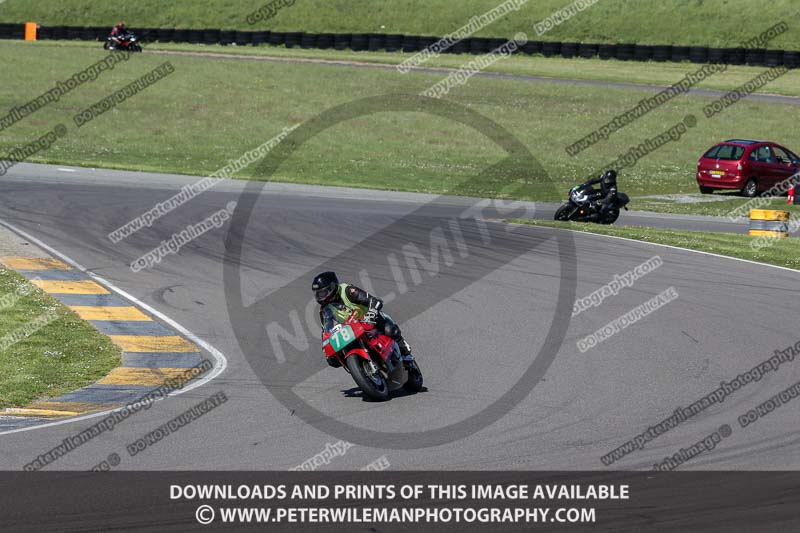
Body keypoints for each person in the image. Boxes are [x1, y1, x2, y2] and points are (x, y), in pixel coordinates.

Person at [312, 271, 414, 368]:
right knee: (333, 360)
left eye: (323, 293)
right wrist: (327, 346)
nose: (320, 298)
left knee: (389, 329)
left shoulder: (347, 291)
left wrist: (371, 314)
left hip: (370, 319)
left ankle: (405, 352)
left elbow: (374, 301)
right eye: (318, 294)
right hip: (352, 330)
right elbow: (326, 330)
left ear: (332, 287)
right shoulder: (325, 309)